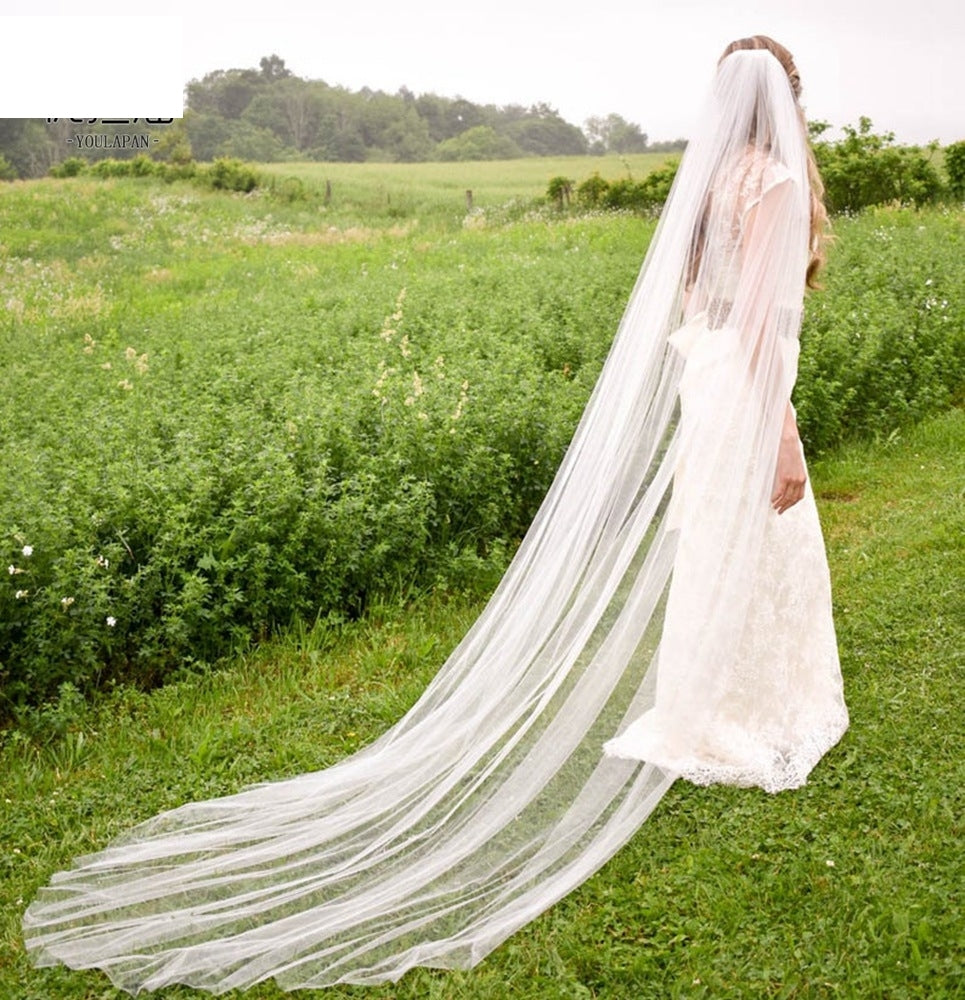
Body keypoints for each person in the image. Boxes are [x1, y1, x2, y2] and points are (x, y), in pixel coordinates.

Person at [22, 36, 848, 994]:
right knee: (755, 542)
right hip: (744, 393)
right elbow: (753, 323)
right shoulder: (776, 183)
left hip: (705, 388)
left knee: (719, 546)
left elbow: (698, 304)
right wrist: (781, 429)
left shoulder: (716, 180)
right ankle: (740, 716)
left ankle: (706, 711)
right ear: (784, 99)